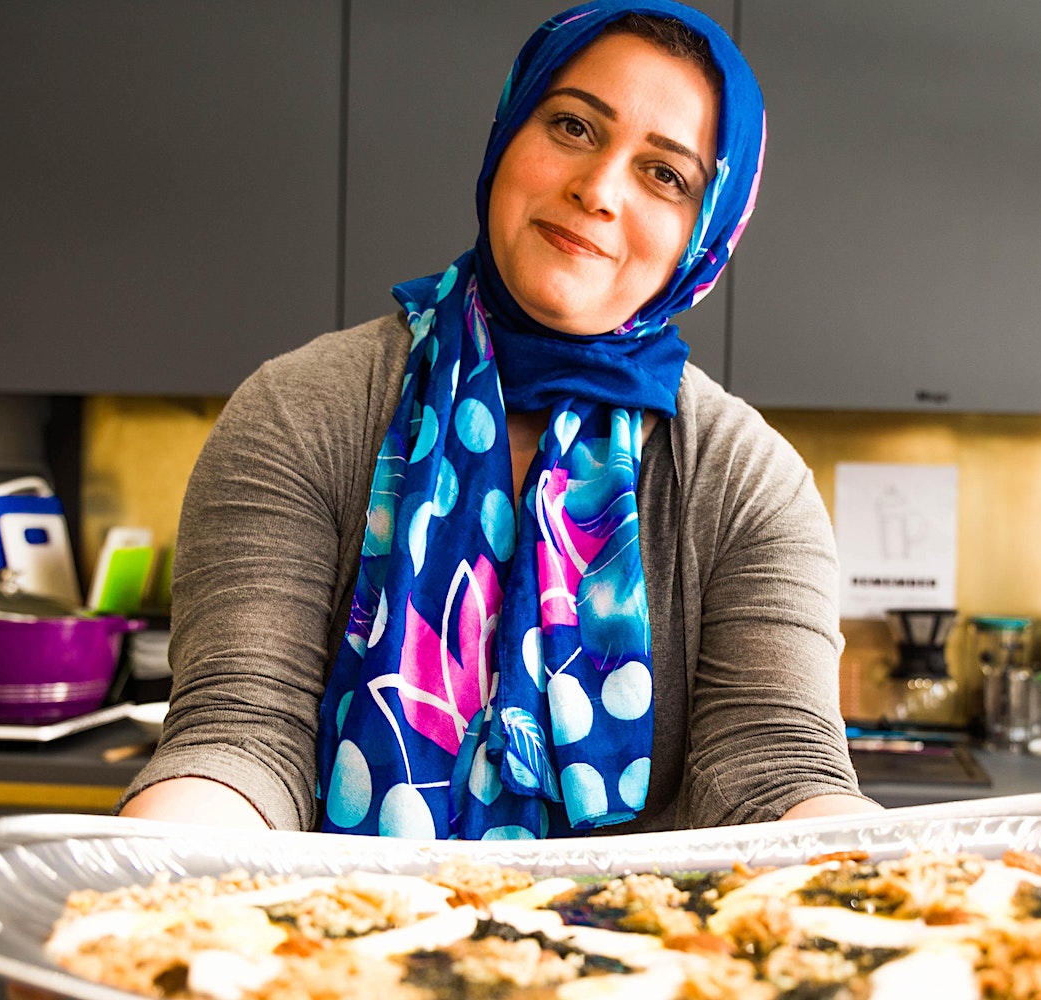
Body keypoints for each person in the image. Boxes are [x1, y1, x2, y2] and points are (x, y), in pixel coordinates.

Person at [120, 0, 878, 838]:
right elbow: (241, 734)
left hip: (644, 961)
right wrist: (145, 880)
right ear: (509, 132)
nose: (597, 189)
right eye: (573, 126)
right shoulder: (303, 412)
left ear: (707, 232)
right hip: (329, 950)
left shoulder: (745, 483)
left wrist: (891, 888)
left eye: (666, 174)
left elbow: (778, 768)